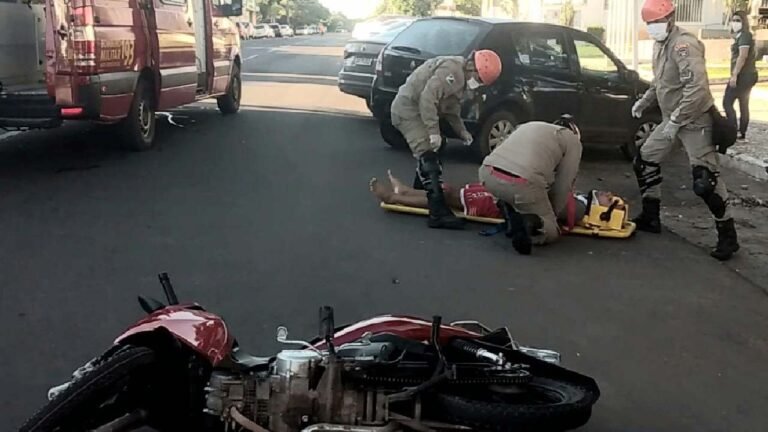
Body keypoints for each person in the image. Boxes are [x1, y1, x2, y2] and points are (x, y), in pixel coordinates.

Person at [630, 0, 739, 261]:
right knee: (645, 160)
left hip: (694, 120)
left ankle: (728, 236)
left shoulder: (684, 45)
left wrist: (677, 121)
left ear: (669, 19)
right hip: (672, 118)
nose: (652, 28)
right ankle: (651, 215)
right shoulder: (661, 45)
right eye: (649, 24)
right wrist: (644, 103)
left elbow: (697, 90)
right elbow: (660, 82)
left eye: (656, 23)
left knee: (705, 180)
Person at [386, 50, 503, 230]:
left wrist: (462, 132)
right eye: (478, 79)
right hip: (408, 110)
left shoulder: (460, 77)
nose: (477, 85)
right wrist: (433, 131)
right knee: (427, 153)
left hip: (416, 109)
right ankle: (437, 213)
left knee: (438, 148)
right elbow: (427, 99)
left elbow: (451, 109)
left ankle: (421, 194)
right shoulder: (453, 71)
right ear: (473, 68)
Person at [370, 170, 621, 229]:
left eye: (610, 200)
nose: (608, 194)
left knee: (448, 196)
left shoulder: (576, 209)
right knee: (451, 192)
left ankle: (396, 197)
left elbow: (548, 210)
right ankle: (403, 192)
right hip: (511, 193)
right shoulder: (577, 199)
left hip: (505, 204)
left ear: (602, 210)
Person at [478, 116, 583, 255]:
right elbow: (563, 185)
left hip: (488, 173)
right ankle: (528, 223)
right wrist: (552, 214)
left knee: (515, 192)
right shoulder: (573, 141)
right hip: (521, 182)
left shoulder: (529, 125)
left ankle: (507, 207)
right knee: (552, 230)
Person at [724, 10, 759, 142]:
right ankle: (740, 132)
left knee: (728, 102)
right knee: (742, 103)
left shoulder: (745, 36)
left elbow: (742, 56)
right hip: (746, 75)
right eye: (733, 20)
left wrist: (734, 75)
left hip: (744, 75)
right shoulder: (740, 36)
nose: (735, 23)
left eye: (738, 20)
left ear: (743, 22)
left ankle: (735, 130)